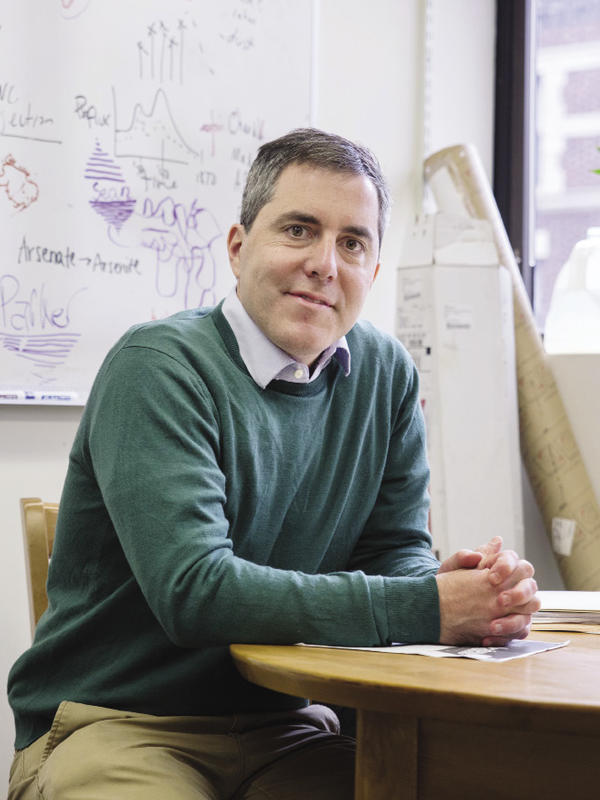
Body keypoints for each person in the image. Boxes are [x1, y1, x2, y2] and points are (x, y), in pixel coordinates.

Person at [7, 128, 539, 799]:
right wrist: (425, 604)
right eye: (298, 229)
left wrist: (450, 589)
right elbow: (195, 593)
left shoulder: (387, 377)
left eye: (352, 242)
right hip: (116, 724)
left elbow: (393, 555)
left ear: (371, 274)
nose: (325, 262)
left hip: (288, 726)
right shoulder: (159, 367)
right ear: (238, 247)